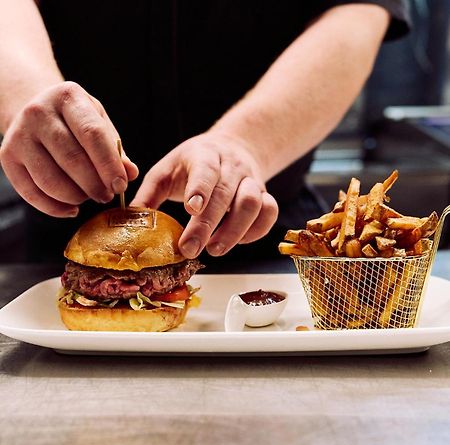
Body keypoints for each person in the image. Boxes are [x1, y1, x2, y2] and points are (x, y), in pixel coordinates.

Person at [0, 0, 409, 264]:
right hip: (57, 247)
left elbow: (359, 13)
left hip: (267, 240)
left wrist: (245, 143)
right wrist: (31, 95)